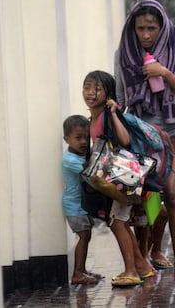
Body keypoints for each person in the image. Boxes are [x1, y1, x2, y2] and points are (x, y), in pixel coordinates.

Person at [115, 0, 175, 280]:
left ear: (162, 27)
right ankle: (147, 255)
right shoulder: (125, 54)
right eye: (141, 28)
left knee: (172, 192)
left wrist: (163, 72)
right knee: (144, 199)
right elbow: (121, 99)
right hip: (141, 136)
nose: (146, 34)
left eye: (151, 28)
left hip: (173, 133)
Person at [82, 70, 155, 287]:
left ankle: (131, 271)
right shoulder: (93, 117)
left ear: (108, 93)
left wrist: (113, 113)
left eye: (97, 89)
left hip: (121, 179)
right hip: (111, 182)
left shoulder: (107, 115)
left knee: (118, 223)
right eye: (87, 87)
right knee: (118, 222)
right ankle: (142, 267)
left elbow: (124, 139)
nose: (91, 93)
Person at [62, 115, 104, 285]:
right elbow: (91, 174)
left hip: (81, 205)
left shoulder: (80, 155)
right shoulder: (70, 160)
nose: (84, 142)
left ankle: (82, 270)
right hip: (74, 206)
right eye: (78, 138)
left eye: (86, 137)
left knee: (86, 236)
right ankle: (77, 273)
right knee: (84, 236)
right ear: (66, 139)